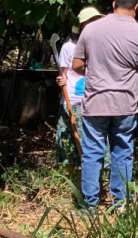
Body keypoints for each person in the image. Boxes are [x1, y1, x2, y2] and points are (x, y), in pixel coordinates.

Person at [72, 0, 138, 210]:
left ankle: (89, 206)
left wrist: (95, 71)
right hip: (126, 104)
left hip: (95, 103)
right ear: (136, 7)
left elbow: (77, 65)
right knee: (123, 152)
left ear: (113, 3)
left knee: (92, 153)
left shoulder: (91, 29)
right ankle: (121, 205)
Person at [54, 7, 105, 189]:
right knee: (70, 144)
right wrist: (61, 80)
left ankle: (95, 185)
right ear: (82, 26)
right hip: (74, 102)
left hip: (96, 102)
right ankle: (73, 185)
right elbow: (64, 75)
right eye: (90, 22)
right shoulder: (70, 47)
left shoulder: (103, 47)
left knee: (94, 146)